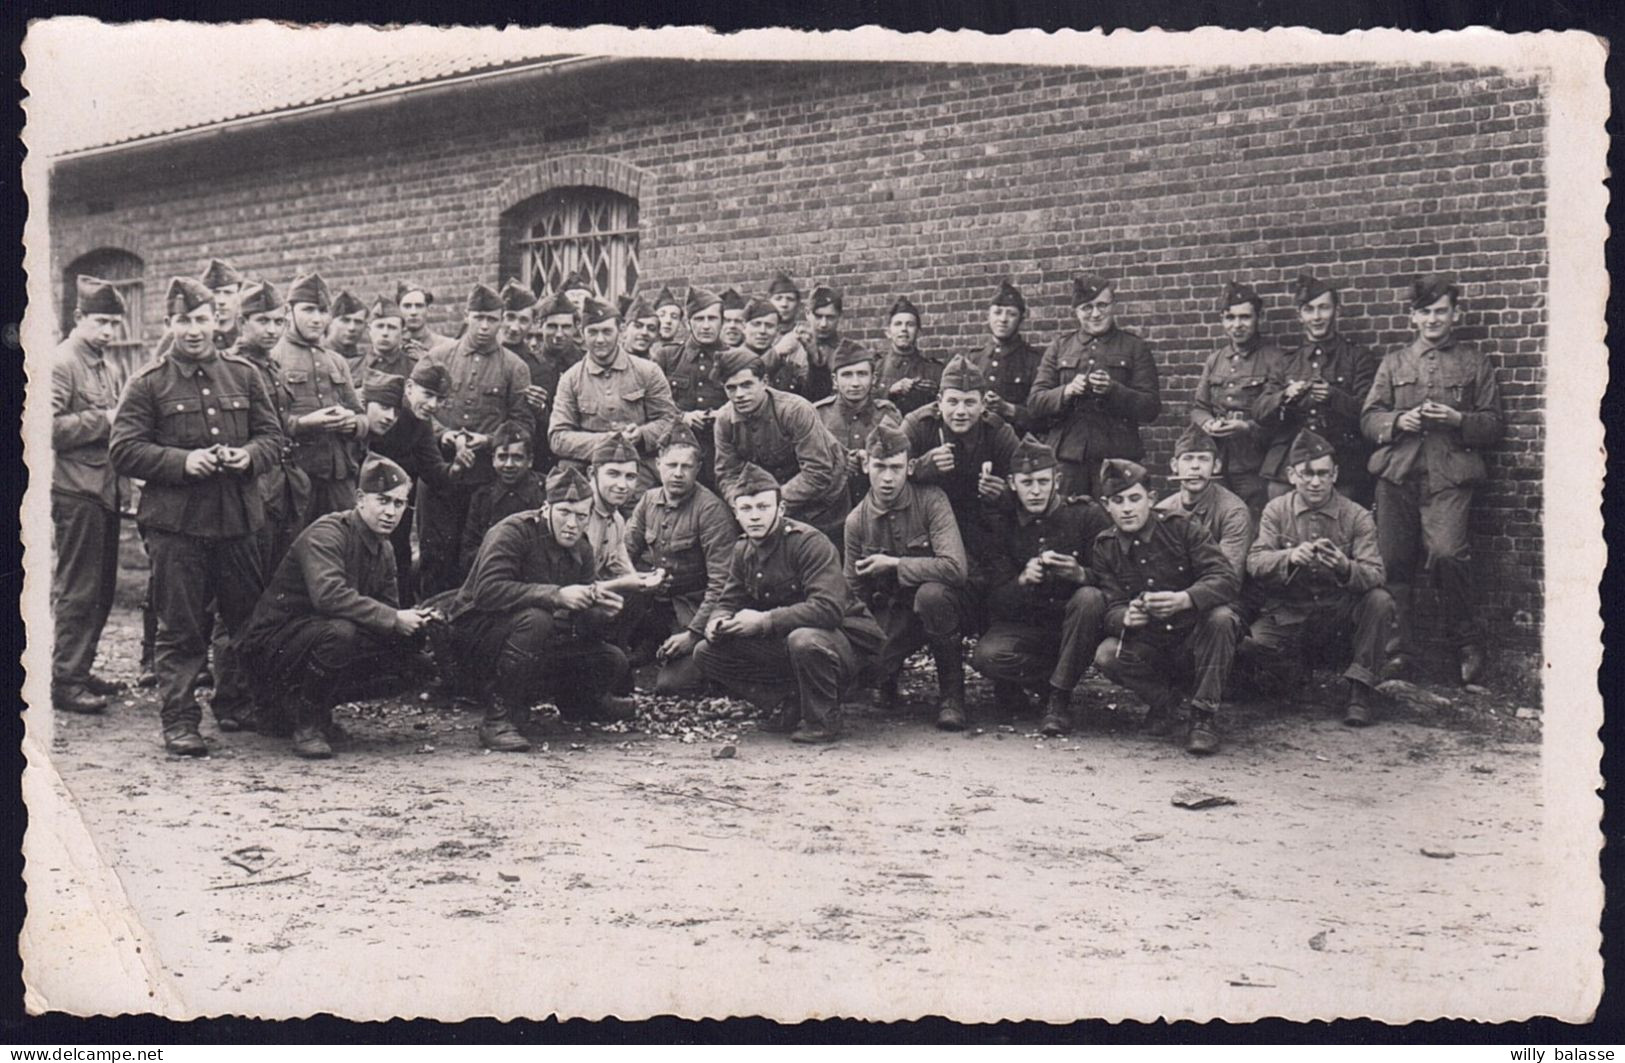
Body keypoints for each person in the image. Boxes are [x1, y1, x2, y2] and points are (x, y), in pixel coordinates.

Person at [109, 276, 283, 754]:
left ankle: (236, 703)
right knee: (182, 627)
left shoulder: (244, 374)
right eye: (183, 321)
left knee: (244, 620)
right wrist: (181, 463)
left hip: (238, 520)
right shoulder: (148, 383)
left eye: (201, 319)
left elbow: (272, 437)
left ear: (217, 322)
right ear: (169, 324)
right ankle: (181, 720)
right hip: (177, 527)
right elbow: (123, 450)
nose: (193, 330)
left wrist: (248, 457)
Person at [238, 457, 436, 759]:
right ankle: (305, 724)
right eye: (382, 501)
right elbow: (328, 595)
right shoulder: (328, 532)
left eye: (399, 504)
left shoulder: (383, 548)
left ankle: (303, 708)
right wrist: (394, 618)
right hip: (271, 649)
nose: (390, 512)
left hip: (315, 641)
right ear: (359, 499)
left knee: (413, 659)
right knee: (340, 634)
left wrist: (416, 622)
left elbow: (385, 609)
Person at [1361, 274, 1504, 685]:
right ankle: (1397, 652)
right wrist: (1397, 420)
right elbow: (1368, 419)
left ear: (1455, 315)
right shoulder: (1393, 363)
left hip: (1449, 476)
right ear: (1413, 317)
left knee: (1446, 554)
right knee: (1393, 564)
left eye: (1441, 311)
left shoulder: (1475, 362)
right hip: (1397, 474)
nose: (1433, 319)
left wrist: (1460, 420)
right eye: (1425, 311)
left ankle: (1466, 642)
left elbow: (1494, 425)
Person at [437, 465, 637, 752]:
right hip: (474, 639)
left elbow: (579, 610)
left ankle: (581, 704)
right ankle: (498, 718)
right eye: (564, 513)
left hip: (529, 641)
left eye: (581, 516)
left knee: (611, 659)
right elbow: (486, 593)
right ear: (546, 509)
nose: (572, 524)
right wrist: (556, 595)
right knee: (537, 620)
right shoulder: (513, 532)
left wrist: (597, 609)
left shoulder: (581, 549)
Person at [694, 463, 883, 744]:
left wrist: (763, 621)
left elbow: (828, 609)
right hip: (792, 645)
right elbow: (728, 599)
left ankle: (824, 718)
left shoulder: (808, 543)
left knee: (803, 639)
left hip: (847, 647)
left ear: (780, 510)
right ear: (735, 513)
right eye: (746, 509)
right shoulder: (743, 550)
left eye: (763, 507)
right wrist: (717, 621)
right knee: (706, 651)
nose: (754, 516)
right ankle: (789, 701)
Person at [1239, 429, 1396, 727]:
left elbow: (1376, 573)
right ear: (1292, 475)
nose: (1315, 481)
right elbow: (1255, 562)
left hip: (1336, 615)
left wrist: (1344, 566)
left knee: (1380, 601)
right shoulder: (1276, 510)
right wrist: (1288, 557)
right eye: (1307, 473)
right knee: (1252, 646)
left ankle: (1359, 692)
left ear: (1335, 475)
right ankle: (1292, 677)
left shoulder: (1357, 516)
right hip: (1288, 614)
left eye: (1323, 473)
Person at [1091, 459, 1243, 755]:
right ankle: (1165, 703)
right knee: (1107, 654)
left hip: (1194, 638)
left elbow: (1226, 578)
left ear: (1151, 498)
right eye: (1117, 501)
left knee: (1222, 618)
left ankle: (1203, 717)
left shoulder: (1182, 528)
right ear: (1105, 505)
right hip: (1151, 642)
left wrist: (1185, 599)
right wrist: (1126, 616)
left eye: (1135, 499)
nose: (1127, 509)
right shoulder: (1105, 546)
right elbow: (1110, 606)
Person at [971, 436, 1114, 736]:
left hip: (1074, 628)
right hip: (1026, 627)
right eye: (1026, 482)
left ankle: (1058, 701)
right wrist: (1022, 581)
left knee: (1090, 597)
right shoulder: (1002, 525)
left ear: (1057, 480)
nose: (1035, 491)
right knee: (987, 656)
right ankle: (1051, 682)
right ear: (1012, 483)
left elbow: (1115, 580)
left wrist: (1080, 575)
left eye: (1042, 481)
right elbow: (993, 599)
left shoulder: (1087, 516)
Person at [843, 422, 970, 729]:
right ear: (865, 465)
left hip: (943, 602)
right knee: (866, 671)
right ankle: (887, 679)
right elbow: (852, 590)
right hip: (893, 608)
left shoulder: (932, 500)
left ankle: (952, 696)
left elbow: (955, 568)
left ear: (910, 467)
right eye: (880, 467)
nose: (887, 478)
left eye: (896, 468)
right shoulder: (856, 521)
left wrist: (895, 564)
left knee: (932, 597)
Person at [414, 282, 535, 596]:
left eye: (492, 319)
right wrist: (446, 435)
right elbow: (417, 411)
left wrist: (488, 440)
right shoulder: (438, 356)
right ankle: (432, 629)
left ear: (501, 320)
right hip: (438, 473)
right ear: (466, 316)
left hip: (485, 478)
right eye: (478, 317)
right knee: (435, 556)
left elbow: (522, 422)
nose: (484, 326)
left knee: (477, 555)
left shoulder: (514, 367)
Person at [50, 276, 132, 714]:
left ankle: (79, 669)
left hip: (104, 488)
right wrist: (106, 418)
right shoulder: (62, 362)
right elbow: (44, 428)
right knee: (79, 589)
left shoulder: (105, 364)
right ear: (78, 318)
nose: (108, 332)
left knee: (101, 588)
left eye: (115, 324)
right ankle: (65, 680)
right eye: (101, 322)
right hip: (76, 489)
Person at [624, 421, 740, 694]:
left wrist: (693, 634)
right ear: (658, 463)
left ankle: (701, 660)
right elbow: (622, 555)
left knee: (672, 685)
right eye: (672, 465)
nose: (678, 473)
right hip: (654, 604)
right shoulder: (648, 500)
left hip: (691, 607)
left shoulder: (710, 510)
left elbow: (722, 583)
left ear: (698, 469)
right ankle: (643, 643)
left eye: (686, 467)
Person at [1028, 275, 1161, 498]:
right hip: (1067, 459)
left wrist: (1113, 390)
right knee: (1067, 521)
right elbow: (1035, 402)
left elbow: (1151, 408)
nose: (1096, 314)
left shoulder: (1134, 347)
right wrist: (1067, 391)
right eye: (1087, 307)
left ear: (1113, 306)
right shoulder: (1060, 346)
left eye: (1102, 305)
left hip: (1116, 459)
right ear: (1076, 312)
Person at [1259, 273, 1379, 508]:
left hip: (1342, 462)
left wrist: (1335, 397)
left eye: (1323, 308)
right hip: (1289, 463)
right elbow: (1260, 411)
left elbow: (1371, 412)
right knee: (1284, 522)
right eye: (1309, 309)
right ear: (1300, 315)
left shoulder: (1357, 358)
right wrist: (1284, 396)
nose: (1317, 316)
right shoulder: (1286, 362)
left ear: (1337, 311)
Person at [713, 348, 850, 543]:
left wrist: (771, 502)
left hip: (823, 503)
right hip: (770, 504)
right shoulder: (725, 421)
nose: (739, 395)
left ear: (765, 382)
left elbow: (817, 471)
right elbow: (727, 473)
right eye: (731, 388)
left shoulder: (795, 410)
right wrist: (742, 503)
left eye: (747, 385)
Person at [549, 296, 679, 501]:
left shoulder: (648, 372)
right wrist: (606, 441)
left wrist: (641, 434)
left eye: (607, 331)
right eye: (592, 332)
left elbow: (669, 422)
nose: (600, 339)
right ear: (581, 334)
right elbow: (558, 437)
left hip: (638, 469)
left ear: (620, 331)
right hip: (587, 470)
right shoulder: (571, 379)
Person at [902, 354, 1019, 574]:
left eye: (970, 402)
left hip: (983, 533)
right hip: (927, 531)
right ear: (939, 401)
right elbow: (888, 476)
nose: (961, 412)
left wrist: (1002, 493)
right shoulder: (917, 425)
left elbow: (1027, 485)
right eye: (953, 402)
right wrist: (921, 467)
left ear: (983, 404)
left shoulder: (998, 432)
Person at [271, 271, 367, 526]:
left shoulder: (336, 360)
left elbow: (361, 415)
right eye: (308, 310)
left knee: (343, 542)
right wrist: (303, 424)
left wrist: (353, 424)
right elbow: (264, 424)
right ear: (289, 311)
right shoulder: (274, 357)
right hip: (296, 477)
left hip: (339, 477)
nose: (317, 319)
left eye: (323, 311)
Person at [233, 279, 312, 573]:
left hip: (282, 482)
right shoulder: (234, 368)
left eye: (279, 321)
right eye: (262, 321)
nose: (272, 330)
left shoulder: (270, 365)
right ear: (242, 321)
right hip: (255, 484)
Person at [363, 363, 456, 605]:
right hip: (362, 500)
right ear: (410, 388)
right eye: (428, 395)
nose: (433, 405)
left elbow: (434, 472)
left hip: (395, 506)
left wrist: (457, 468)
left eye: (440, 399)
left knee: (398, 556)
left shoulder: (421, 423)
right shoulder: (382, 408)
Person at [1190, 281, 1279, 518]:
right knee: (1219, 520)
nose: (1237, 325)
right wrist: (1207, 423)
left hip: (1255, 462)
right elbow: (1199, 408)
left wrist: (1246, 427)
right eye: (1230, 317)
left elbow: (1280, 417)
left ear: (1257, 318)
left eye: (1245, 317)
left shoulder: (1273, 359)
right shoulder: (1215, 360)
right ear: (1222, 319)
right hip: (1218, 459)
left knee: (1253, 521)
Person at [1153, 424, 1254, 583]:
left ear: (1216, 466)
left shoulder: (1233, 511)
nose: (1195, 466)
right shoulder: (1163, 510)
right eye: (1187, 458)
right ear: (1174, 466)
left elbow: (1229, 575)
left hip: (1220, 594)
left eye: (1203, 459)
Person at [813, 342, 902, 505]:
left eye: (862, 374)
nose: (855, 383)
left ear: (873, 378)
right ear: (835, 380)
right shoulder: (818, 415)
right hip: (830, 508)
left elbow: (898, 463)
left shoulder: (888, 415)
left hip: (877, 506)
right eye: (847, 375)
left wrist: (870, 458)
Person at [655, 286, 729, 478]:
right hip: (677, 454)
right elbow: (654, 405)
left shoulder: (734, 357)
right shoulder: (667, 357)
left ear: (722, 322)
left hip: (722, 452)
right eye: (699, 319)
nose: (705, 326)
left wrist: (726, 414)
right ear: (688, 323)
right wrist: (683, 417)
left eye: (712, 319)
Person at [458, 421, 545, 578]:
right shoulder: (482, 497)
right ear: (493, 460)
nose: (509, 464)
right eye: (502, 457)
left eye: (517, 457)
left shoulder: (544, 492)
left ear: (530, 460)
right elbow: (468, 551)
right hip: (492, 574)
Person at [967, 280, 1044, 433]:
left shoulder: (1034, 360)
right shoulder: (973, 359)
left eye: (1011, 314)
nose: (1003, 319)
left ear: (1021, 319)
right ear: (988, 316)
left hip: (1017, 445)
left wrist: (1008, 409)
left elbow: (1044, 418)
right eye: (997, 312)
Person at [523, 289, 585, 473]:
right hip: (538, 455)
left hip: (577, 455)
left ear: (576, 328)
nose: (559, 333)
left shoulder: (586, 364)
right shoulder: (528, 366)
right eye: (552, 326)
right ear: (540, 325)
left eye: (566, 327)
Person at [876, 296, 946, 416]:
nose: (904, 329)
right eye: (898, 324)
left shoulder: (934, 371)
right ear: (888, 332)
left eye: (910, 324)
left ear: (918, 332)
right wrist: (889, 391)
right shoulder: (876, 368)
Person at [764, 270, 817, 399]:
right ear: (769, 302)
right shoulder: (759, 334)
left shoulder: (805, 337)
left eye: (790, 299)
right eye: (778, 298)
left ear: (798, 305)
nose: (784, 304)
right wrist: (776, 351)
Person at [807, 285, 865, 403]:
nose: (823, 324)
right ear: (807, 313)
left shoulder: (850, 352)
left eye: (830, 317)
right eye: (818, 316)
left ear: (840, 317)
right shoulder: (793, 347)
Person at [742, 297, 807, 394]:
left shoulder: (785, 363)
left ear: (777, 331)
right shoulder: (733, 357)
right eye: (756, 324)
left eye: (769, 326)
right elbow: (747, 377)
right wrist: (775, 353)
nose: (762, 331)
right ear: (744, 327)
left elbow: (810, 393)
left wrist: (812, 354)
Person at [360, 294, 417, 383]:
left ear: (402, 332)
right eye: (380, 326)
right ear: (369, 330)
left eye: (392, 327)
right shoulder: (353, 365)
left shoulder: (415, 368)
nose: (385, 333)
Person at [397, 280, 455, 359]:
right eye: (407, 306)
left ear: (428, 309)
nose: (413, 312)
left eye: (419, 306)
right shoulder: (392, 347)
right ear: (398, 310)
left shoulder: (447, 346)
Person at [327, 290, 369, 384]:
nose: (352, 328)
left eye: (358, 322)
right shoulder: (317, 356)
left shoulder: (366, 362)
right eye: (345, 321)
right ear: (330, 322)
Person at [651, 286, 686, 363]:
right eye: (662, 315)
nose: (668, 321)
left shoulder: (684, 354)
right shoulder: (644, 350)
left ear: (680, 323)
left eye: (674, 317)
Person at [621, 295, 661, 361]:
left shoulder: (657, 364)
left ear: (656, 336)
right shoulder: (611, 360)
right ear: (624, 330)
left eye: (651, 329)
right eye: (638, 326)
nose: (644, 332)